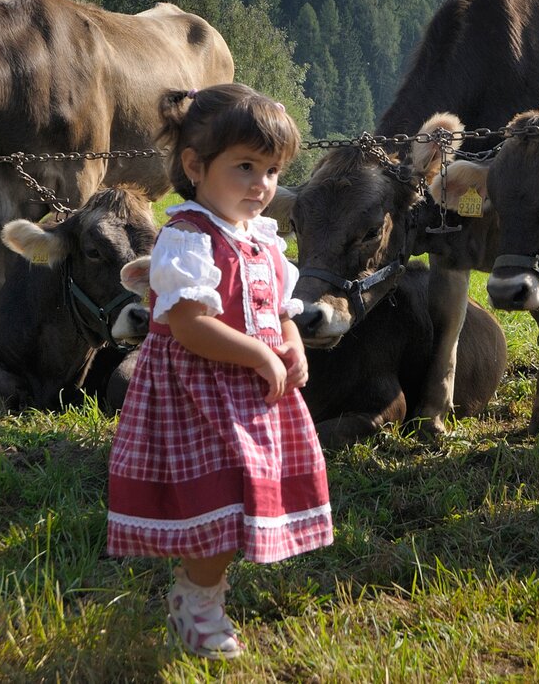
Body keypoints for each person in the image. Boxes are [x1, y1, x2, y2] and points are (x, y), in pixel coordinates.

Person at [107, 83, 333, 660]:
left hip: (250, 394)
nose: (262, 186)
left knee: (242, 496)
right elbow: (187, 325)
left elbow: (277, 308)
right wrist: (258, 354)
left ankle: (207, 590)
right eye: (246, 167)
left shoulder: (261, 242)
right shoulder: (187, 239)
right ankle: (197, 601)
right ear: (194, 166)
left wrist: (288, 343)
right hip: (196, 391)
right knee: (220, 495)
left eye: (273, 171)